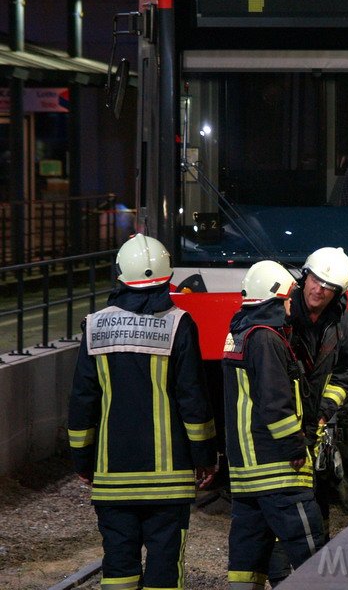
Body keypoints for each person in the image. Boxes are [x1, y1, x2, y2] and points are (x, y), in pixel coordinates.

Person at [68, 234, 218, 590]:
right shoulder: (179, 324)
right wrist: (205, 458)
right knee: (165, 568)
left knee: (118, 567)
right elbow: (193, 399)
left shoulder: (95, 326)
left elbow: (82, 401)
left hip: (112, 475)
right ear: (168, 277)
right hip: (169, 480)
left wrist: (83, 462)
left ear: (120, 275)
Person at [223, 260, 325, 588]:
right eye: (287, 299)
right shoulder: (266, 338)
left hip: (246, 472)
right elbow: (275, 401)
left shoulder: (240, 333)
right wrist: (295, 447)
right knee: (312, 551)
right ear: (275, 299)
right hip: (277, 468)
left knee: (247, 559)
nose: (290, 304)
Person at [267, 246, 348, 585]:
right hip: (283, 420)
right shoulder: (282, 312)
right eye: (316, 280)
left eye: (328, 285)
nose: (319, 289)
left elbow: (346, 370)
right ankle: (282, 572)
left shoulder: (340, 318)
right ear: (305, 277)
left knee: (316, 496)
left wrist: (324, 412)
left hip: (316, 423)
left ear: (339, 291)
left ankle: (311, 569)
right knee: (282, 497)